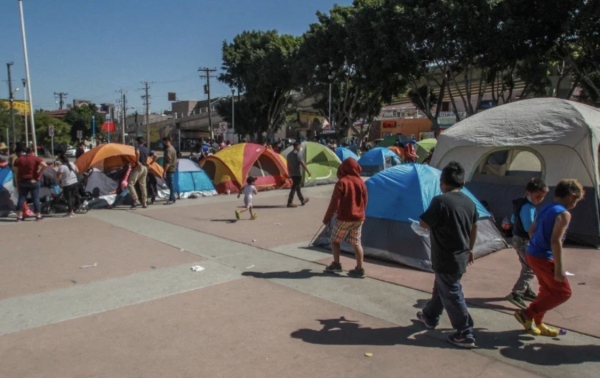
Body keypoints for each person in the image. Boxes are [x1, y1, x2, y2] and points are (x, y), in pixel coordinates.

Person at [417, 161, 478, 348]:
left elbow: (424, 224)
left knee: (451, 292)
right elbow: (474, 226)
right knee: (442, 287)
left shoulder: (440, 201)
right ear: (463, 183)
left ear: (442, 183)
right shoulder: (469, 202)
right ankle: (429, 315)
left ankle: (465, 332)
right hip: (461, 254)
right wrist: (470, 249)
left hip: (444, 255)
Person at [514, 179, 583, 337]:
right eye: (577, 199)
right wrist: (559, 268)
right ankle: (527, 314)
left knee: (547, 290)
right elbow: (556, 241)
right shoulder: (563, 214)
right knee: (563, 292)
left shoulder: (546, 208)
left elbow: (532, 230)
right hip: (544, 257)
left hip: (532, 253)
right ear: (572, 196)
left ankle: (537, 321)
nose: (576, 203)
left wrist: (536, 245)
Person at [505, 178, 549, 309]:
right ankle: (516, 293)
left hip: (517, 239)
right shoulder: (528, 208)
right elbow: (529, 228)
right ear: (528, 193)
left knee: (526, 266)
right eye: (538, 196)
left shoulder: (519, 204)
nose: (540, 199)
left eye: (542, 197)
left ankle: (526, 290)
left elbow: (513, 218)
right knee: (531, 269)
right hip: (525, 241)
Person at [323, 158, 368, 278]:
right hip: (359, 218)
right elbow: (365, 201)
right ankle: (360, 269)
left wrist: (327, 218)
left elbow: (334, 202)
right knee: (357, 243)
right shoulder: (361, 182)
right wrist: (361, 212)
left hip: (344, 217)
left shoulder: (342, 182)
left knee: (335, 240)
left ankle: (336, 264)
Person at [14, 148, 48, 221]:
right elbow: (45, 165)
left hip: (22, 181)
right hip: (34, 180)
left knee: (22, 198)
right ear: (32, 152)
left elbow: (16, 172)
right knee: (35, 198)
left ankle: (19, 216)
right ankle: (38, 215)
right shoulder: (36, 158)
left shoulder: (18, 159)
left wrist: (17, 182)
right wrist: (39, 172)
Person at [286, 142, 311, 208]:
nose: (300, 147)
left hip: (292, 173)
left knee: (298, 188)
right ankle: (289, 202)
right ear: (297, 146)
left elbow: (288, 165)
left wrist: (289, 174)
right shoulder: (298, 154)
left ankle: (302, 200)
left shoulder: (289, 155)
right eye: (299, 146)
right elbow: (302, 164)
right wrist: (308, 172)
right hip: (298, 174)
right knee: (294, 188)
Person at [128, 137, 149, 208]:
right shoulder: (146, 149)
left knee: (130, 183)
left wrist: (137, 161)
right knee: (143, 185)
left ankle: (136, 199)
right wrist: (151, 163)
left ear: (137, 142)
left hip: (139, 167)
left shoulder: (137, 147)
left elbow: (137, 152)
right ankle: (145, 202)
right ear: (144, 142)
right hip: (145, 167)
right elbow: (155, 156)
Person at [162, 136, 178, 205]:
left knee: (170, 184)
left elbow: (168, 162)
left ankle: (171, 199)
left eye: (164, 141)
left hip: (169, 169)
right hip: (173, 168)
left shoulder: (168, 150)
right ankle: (173, 197)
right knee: (170, 184)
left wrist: (164, 171)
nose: (164, 143)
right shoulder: (173, 148)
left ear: (167, 141)